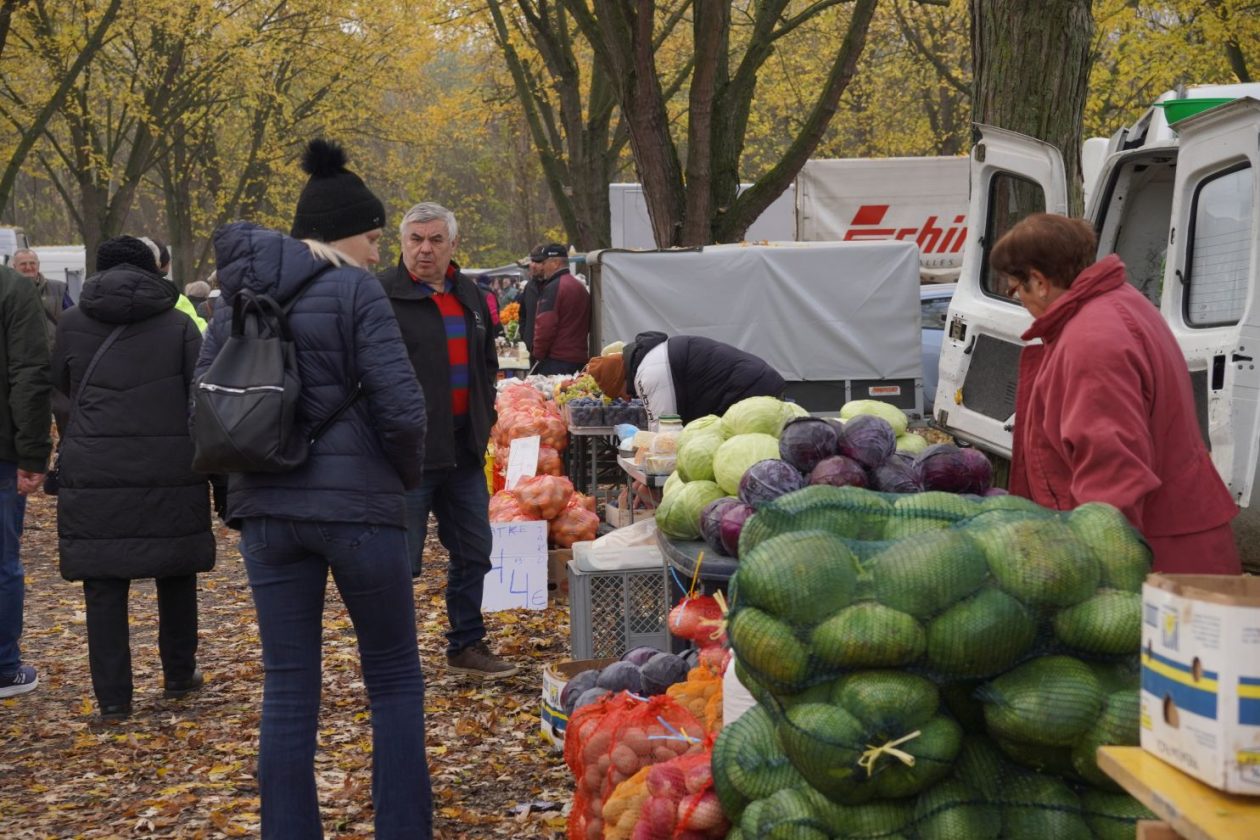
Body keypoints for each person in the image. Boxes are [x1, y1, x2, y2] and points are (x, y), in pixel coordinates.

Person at [197, 139, 433, 837]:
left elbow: (203, 402)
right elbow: (402, 407)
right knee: (392, 678)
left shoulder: (238, 295)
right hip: (359, 509)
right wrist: (402, 481)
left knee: (288, 685)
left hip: (267, 510)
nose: (376, 249)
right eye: (372, 236)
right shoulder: (360, 290)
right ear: (346, 235)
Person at [991, 213, 1240, 574]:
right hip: (1177, 537)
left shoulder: (1092, 340)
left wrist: (1102, 577)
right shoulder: (1123, 302)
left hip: (1157, 558)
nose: (1020, 303)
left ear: (1040, 282)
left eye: (1016, 289)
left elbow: (1112, 471)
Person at [52, 236, 214, 722]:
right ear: (154, 271)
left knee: (103, 583)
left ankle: (114, 698)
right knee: (176, 570)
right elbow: (200, 400)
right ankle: (179, 676)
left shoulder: (70, 324)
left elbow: (60, 393)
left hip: (95, 469)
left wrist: (79, 437)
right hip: (170, 466)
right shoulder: (182, 325)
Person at [379, 201, 517, 680]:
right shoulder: (383, 297)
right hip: (408, 457)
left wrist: (485, 416)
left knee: (475, 551)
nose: (425, 250)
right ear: (402, 244)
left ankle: (466, 645)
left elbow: (486, 363)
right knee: (400, 563)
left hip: (463, 452)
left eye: (436, 240)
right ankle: (393, 657)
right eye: (416, 240)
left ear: (453, 245)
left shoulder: (471, 296)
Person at [0, 264, 51, 699]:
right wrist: (32, 452)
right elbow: (30, 373)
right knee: (1, 560)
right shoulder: (13, 289)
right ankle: (2, 666)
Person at [588, 332, 786, 426]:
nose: (627, 398)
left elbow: (664, 426)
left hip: (751, 390)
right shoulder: (652, 357)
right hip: (754, 382)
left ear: (620, 378)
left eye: (621, 392)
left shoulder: (648, 373)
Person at [531, 242, 590, 375]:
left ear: (555, 263)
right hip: (579, 359)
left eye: (545, 263)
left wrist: (538, 354)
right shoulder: (580, 287)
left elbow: (545, 326)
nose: (543, 267)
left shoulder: (553, 288)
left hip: (557, 362)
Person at [12, 248, 71, 350]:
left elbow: (72, 320)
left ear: (38, 265)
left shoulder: (57, 289)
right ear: (14, 267)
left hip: (52, 355)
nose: (28, 267)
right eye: (23, 264)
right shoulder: (6, 292)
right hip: (19, 357)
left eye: (32, 263)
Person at [520, 247, 545, 364]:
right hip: (532, 349)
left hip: (550, 352)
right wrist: (526, 338)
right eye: (532, 261)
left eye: (538, 262)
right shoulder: (529, 287)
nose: (533, 265)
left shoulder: (554, 286)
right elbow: (523, 315)